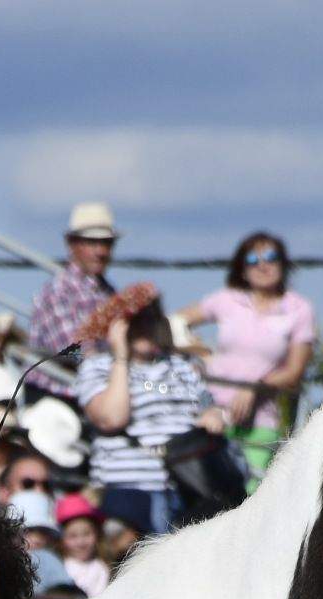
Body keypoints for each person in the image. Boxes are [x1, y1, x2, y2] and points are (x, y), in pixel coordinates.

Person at [75, 291, 212, 537]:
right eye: (136, 321)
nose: (146, 327)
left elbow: (208, 408)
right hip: (126, 492)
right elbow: (111, 418)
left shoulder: (181, 367)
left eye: (152, 319)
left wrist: (212, 416)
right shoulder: (97, 367)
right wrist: (121, 357)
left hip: (183, 488)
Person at [180, 231, 316, 438]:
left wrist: (255, 387)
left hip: (261, 422)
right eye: (252, 260)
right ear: (242, 270)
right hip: (211, 414)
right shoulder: (227, 300)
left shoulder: (298, 308)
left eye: (271, 257)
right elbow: (173, 323)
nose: (263, 265)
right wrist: (197, 351)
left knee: (256, 470)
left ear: (282, 264)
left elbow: (294, 372)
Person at [28, 199, 115, 354]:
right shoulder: (57, 293)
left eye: (106, 243)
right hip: (63, 378)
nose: (101, 251)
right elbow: (74, 354)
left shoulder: (108, 292)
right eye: (92, 242)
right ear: (72, 244)